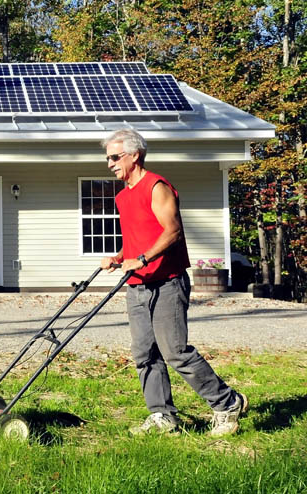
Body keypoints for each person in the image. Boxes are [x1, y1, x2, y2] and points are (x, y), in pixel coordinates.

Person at [99, 128, 248, 436]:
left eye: (115, 157)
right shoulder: (123, 196)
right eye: (107, 158)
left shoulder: (156, 186)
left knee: (175, 351)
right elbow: (139, 238)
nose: (110, 164)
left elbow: (172, 232)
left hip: (166, 281)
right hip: (137, 284)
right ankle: (162, 415)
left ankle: (227, 403)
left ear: (134, 155)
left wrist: (141, 259)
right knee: (144, 354)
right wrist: (118, 257)